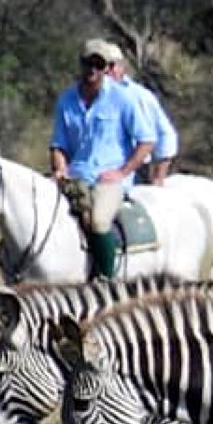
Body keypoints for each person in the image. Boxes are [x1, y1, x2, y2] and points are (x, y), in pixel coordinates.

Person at [50, 37, 158, 279]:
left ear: (107, 68)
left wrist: (123, 171)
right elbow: (59, 144)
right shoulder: (66, 101)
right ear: (81, 64)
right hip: (75, 175)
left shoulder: (123, 99)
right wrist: (60, 168)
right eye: (89, 64)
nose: (93, 71)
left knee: (98, 221)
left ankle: (106, 281)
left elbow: (147, 140)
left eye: (99, 66)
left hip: (108, 180)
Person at [105, 44, 178, 183]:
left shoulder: (139, 96)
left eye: (111, 65)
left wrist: (158, 176)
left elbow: (166, 135)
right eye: (100, 65)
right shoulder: (81, 98)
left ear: (122, 67)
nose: (106, 71)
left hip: (133, 174)